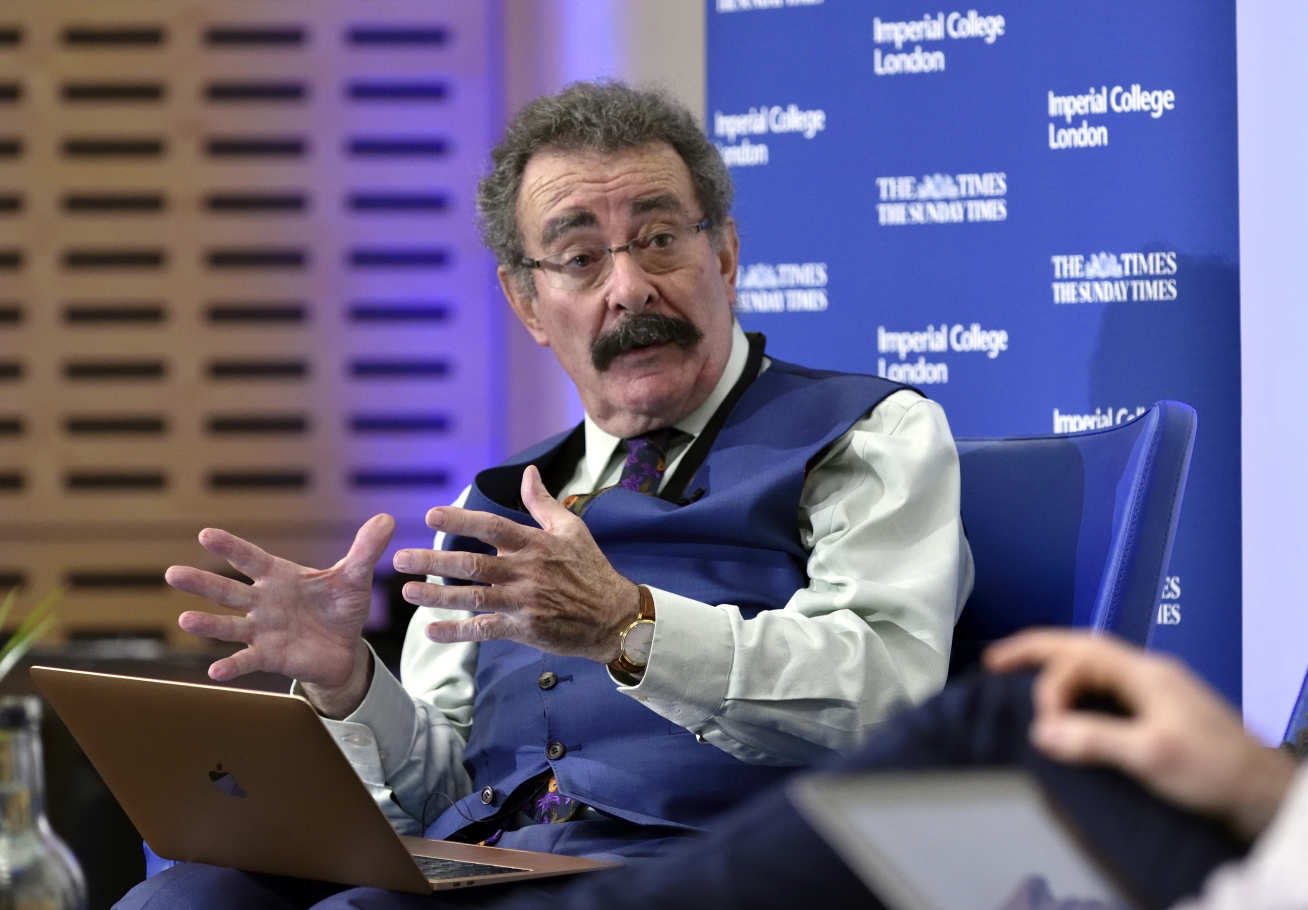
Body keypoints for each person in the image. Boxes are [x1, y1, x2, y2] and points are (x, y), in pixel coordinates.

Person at [115, 81, 973, 907]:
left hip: (711, 867)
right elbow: (448, 790)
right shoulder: (492, 505)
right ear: (528, 302)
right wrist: (350, 686)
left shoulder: (863, 433)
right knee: (188, 894)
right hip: (499, 869)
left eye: (662, 238)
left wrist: (628, 626)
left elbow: (889, 695)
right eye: (579, 258)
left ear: (725, 254)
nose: (630, 287)